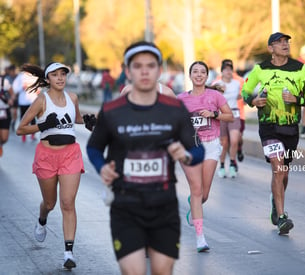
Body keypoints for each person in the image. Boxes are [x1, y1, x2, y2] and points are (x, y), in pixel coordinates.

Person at [86, 41, 204, 275]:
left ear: (159, 71)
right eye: (137, 66)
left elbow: (197, 150)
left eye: (150, 65)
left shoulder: (175, 109)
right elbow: (94, 148)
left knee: (162, 271)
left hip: (164, 206)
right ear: (128, 72)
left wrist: (187, 156)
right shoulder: (113, 110)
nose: (144, 71)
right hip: (125, 206)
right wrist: (101, 168)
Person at [16, 62, 95, 269]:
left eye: (63, 74)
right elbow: (21, 129)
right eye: (55, 75)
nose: (60, 78)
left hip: (70, 154)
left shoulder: (73, 98)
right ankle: (42, 219)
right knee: (49, 203)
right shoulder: (42, 100)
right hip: (46, 156)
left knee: (68, 203)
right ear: (48, 79)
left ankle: (68, 252)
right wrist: (43, 125)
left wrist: (87, 122)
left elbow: (75, 119)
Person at [242, 32, 305, 235]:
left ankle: (276, 201)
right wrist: (253, 101)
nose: (285, 45)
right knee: (278, 166)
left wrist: (297, 98)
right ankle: (282, 218)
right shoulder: (260, 69)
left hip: (291, 128)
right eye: (280, 42)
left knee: (284, 172)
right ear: (270, 48)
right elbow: (245, 92)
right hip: (268, 127)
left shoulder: (300, 69)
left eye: (287, 42)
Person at [177, 61, 233, 251]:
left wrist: (213, 114)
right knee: (197, 189)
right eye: (195, 72)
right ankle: (200, 238)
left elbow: (230, 116)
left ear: (207, 76)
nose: (199, 75)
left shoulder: (215, 96)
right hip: (190, 147)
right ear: (190, 75)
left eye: (202, 72)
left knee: (205, 194)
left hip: (210, 145)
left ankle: (195, 204)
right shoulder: (181, 99)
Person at [213, 59, 242, 178]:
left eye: (230, 69)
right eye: (225, 69)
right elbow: (213, 99)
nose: (228, 72)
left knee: (234, 140)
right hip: (222, 115)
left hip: (234, 113)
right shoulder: (217, 84)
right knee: (224, 143)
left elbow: (240, 95)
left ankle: (232, 163)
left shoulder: (236, 83)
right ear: (222, 71)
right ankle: (222, 164)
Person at [13, 70, 39, 142]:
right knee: (23, 118)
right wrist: (22, 87)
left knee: (32, 118)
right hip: (23, 101)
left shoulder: (34, 77)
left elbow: (39, 85)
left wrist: (38, 90)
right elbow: (15, 88)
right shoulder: (20, 77)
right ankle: (23, 134)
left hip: (32, 101)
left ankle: (33, 135)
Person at [0, 71, 15, 157]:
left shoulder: (3, 82)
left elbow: (12, 94)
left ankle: (1, 144)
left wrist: (11, 100)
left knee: (4, 138)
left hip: (4, 111)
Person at [4, 65, 18, 131]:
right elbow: (5, 90)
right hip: (9, 99)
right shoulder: (7, 78)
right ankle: (10, 122)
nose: (13, 72)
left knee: (15, 112)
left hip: (16, 98)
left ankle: (13, 122)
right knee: (11, 112)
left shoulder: (18, 77)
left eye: (14, 71)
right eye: (12, 71)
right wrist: (8, 98)